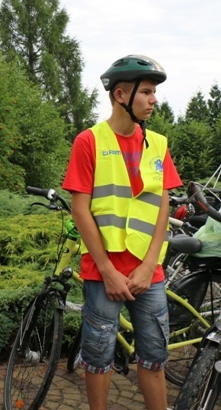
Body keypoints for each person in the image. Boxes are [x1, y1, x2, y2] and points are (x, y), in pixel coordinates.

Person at [62, 54, 182, 410]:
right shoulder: (89, 141)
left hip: (150, 272)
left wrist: (148, 266)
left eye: (153, 93)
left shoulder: (157, 144)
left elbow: (162, 207)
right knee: (97, 356)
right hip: (104, 273)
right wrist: (108, 270)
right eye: (146, 92)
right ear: (120, 95)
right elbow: (80, 209)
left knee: (155, 354)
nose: (153, 100)